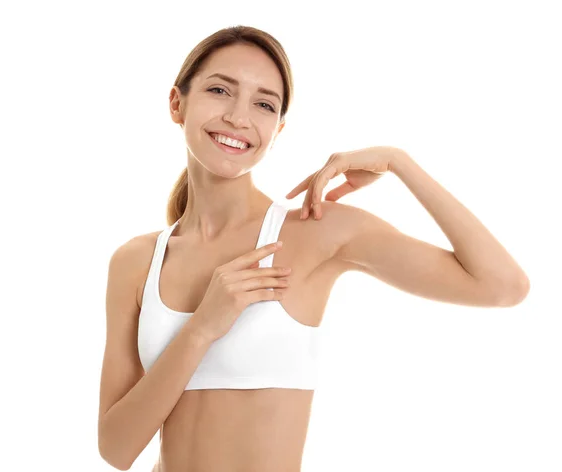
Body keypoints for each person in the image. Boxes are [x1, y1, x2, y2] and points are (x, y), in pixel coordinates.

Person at [97, 25, 530, 472]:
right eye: (220, 90)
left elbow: (502, 285)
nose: (239, 117)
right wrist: (202, 328)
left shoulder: (315, 231)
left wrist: (400, 163)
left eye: (263, 104)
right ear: (177, 103)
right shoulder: (137, 261)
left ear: (277, 129)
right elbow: (116, 448)